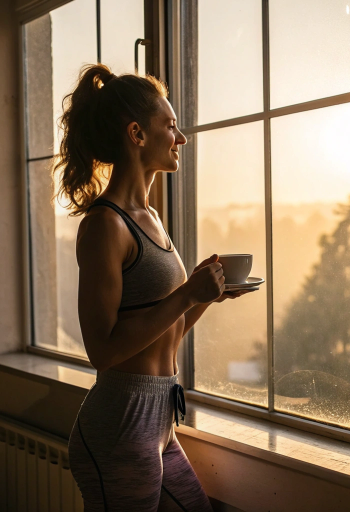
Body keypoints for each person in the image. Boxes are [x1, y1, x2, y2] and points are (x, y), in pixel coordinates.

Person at [56, 63, 253, 511]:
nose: (180, 138)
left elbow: (162, 336)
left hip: (160, 420)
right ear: (136, 134)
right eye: (170, 125)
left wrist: (207, 297)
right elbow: (103, 352)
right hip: (119, 428)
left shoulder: (153, 220)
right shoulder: (106, 226)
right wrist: (186, 294)